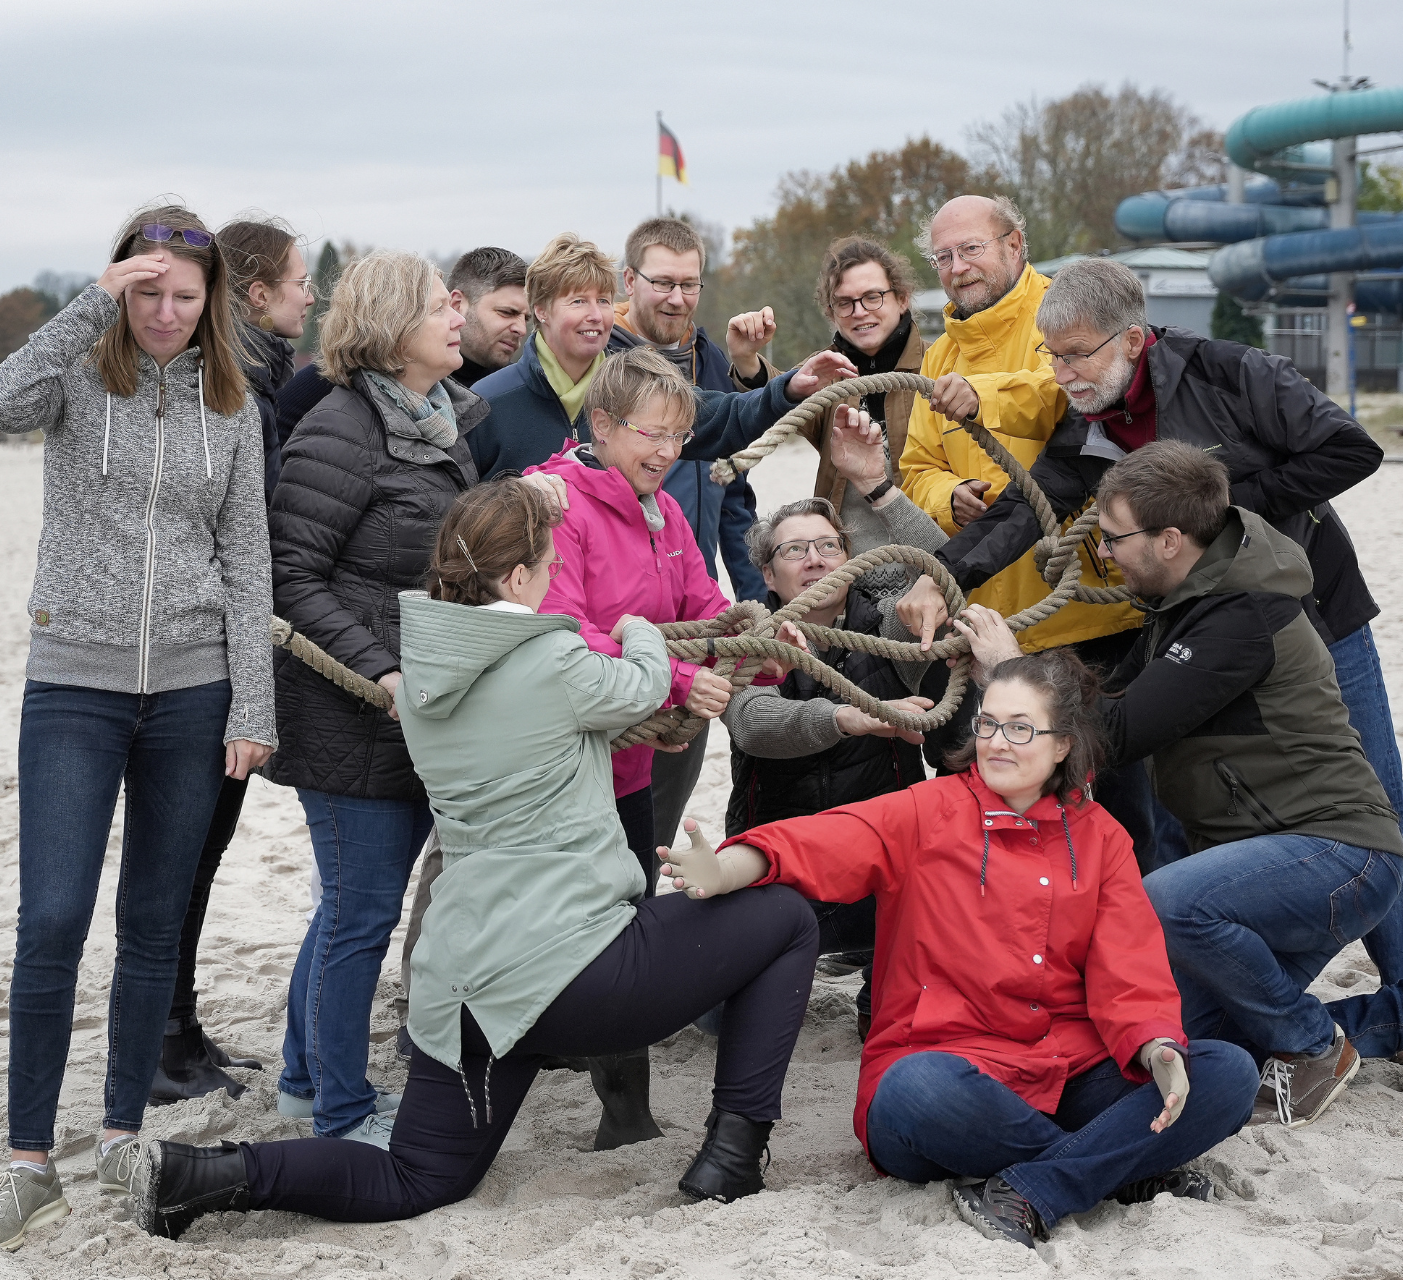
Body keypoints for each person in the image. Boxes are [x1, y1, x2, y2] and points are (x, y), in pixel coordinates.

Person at [131, 481, 820, 1239]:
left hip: (465, 982)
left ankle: (203, 1174)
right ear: (519, 577)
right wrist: (638, 629)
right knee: (786, 918)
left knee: (417, 1175)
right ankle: (733, 1156)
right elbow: (647, 682)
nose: (557, 578)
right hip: (573, 969)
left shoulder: (421, 671)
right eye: (551, 566)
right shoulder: (556, 659)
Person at [894, 259, 1403, 1024]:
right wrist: (941, 575)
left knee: (1371, 800)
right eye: (1052, 356)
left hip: (1313, 605)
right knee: (1190, 799)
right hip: (1194, 618)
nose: (1062, 374)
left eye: (1076, 356)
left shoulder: (1232, 373)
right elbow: (1031, 506)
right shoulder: (1090, 413)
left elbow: (1351, 449)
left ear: (1131, 340)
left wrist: (1209, 511)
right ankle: (1202, 1003)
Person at [659, 647, 1259, 1250]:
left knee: (1226, 1072)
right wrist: (727, 868)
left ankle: (1044, 1183)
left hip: (1066, 1071)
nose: (996, 742)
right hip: (947, 1076)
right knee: (916, 1089)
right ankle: (1111, 1168)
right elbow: (819, 842)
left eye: (1020, 728)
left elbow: (1129, 967)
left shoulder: (1102, 837)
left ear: (1063, 744)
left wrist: (1155, 1043)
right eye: (988, 723)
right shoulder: (930, 809)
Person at [0, 204, 276, 1251]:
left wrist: (253, 703)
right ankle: (28, 1165)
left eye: (184, 296)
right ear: (120, 285)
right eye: (147, 292)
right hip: (74, 683)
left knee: (152, 923)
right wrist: (93, 300)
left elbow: (247, 560)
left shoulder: (234, 402)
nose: (165, 313)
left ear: (210, 300)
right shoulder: (77, 378)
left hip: (192, 690)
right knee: (52, 917)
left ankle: (122, 1138)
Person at [1087, 442, 1403, 1125]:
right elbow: (1116, 700)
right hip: (1283, 860)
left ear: (1170, 541)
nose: (1104, 552)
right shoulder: (1190, 598)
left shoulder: (1240, 615)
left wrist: (1007, 671)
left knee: (1168, 902)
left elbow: (1116, 734)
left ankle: (1312, 1046)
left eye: (1113, 537)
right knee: (1195, 1043)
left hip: (1338, 856)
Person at [258, 250, 484, 1147]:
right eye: (440, 305)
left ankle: (304, 1079)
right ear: (393, 328)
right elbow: (291, 574)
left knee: (350, 908)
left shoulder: (441, 421)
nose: (458, 314)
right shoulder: (341, 429)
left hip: (417, 708)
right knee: (360, 915)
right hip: (350, 711)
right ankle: (341, 1110)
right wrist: (380, 671)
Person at [524, 346, 748, 1146]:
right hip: (563, 762)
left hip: (627, 762)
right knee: (590, 923)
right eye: (653, 433)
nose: (667, 452)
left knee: (624, 913)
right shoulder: (560, 508)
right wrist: (681, 681)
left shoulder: (663, 510)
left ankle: (621, 1108)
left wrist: (761, 641)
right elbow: (565, 634)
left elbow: (701, 603)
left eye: (680, 437)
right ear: (604, 424)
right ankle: (619, 1111)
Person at [147, 215, 316, 1107]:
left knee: (195, 853)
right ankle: (163, 1041)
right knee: (185, 853)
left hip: (219, 649)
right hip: (202, 656)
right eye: (299, 281)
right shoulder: (232, 386)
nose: (310, 296)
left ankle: (176, 1028)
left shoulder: (254, 377)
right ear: (255, 294)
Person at [723, 489, 953, 1038]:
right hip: (781, 865)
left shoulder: (889, 627)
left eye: (828, 546)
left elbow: (943, 571)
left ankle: (881, 990)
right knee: (720, 1022)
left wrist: (880, 488)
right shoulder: (749, 637)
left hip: (880, 869)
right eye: (794, 549)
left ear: (850, 561)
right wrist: (851, 717)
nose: (815, 559)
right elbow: (752, 724)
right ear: (768, 574)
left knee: (893, 1015)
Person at [896, 195, 1140, 656]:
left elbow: (1071, 392)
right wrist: (950, 497)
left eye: (971, 248)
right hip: (990, 619)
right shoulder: (939, 357)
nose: (958, 267)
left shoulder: (1068, 314)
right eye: (943, 257)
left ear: (1014, 244)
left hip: (1090, 613)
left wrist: (982, 396)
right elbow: (917, 468)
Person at [466, 232, 854, 483]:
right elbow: (459, 519)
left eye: (604, 300)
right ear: (541, 311)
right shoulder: (485, 405)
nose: (596, 315)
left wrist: (789, 388)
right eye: (578, 301)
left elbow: (724, 417)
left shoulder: (638, 388)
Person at [733, 237, 928, 557]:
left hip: (930, 558)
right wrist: (746, 359)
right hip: (844, 565)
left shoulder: (940, 366)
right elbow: (780, 403)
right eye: (844, 303)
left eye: (872, 297)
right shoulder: (825, 372)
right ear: (831, 312)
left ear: (902, 298)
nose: (859, 311)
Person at [610, 217, 763, 600]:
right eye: (663, 283)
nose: (677, 298)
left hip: (698, 596)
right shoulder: (602, 365)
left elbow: (733, 495)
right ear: (629, 280)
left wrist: (759, 603)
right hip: (623, 602)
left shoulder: (711, 361)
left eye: (689, 284)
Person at [447, 246, 529, 387]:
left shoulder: (524, 391)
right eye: (506, 312)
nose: (522, 330)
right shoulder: (412, 385)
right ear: (457, 305)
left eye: (526, 319)